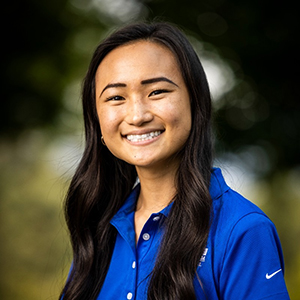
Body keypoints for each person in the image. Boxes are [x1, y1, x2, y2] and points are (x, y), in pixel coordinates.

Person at [60, 22, 290, 300]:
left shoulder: (242, 229)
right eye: (116, 97)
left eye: (156, 92)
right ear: (96, 121)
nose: (137, 115)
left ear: (195, 101)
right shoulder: (99, 230)